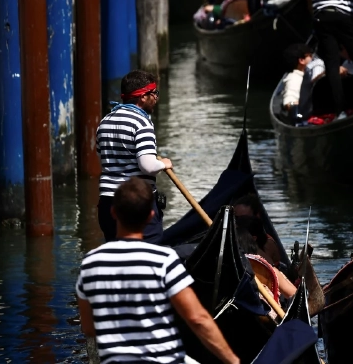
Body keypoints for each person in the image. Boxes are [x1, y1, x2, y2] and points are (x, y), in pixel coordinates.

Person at [77, 178, 241, 364]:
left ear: (113, 212)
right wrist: (233, 361)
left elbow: (89, 328)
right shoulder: (164, 260)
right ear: (151, 215)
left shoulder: (90, 264)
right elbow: (198, 319)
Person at [96, 70, 170, 244]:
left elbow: (103, 159)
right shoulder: (142, 122)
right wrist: (164, 164)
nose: (156, 98)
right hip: (135, 203)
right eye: (154, 93)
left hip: (107, 203)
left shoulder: (105, 121)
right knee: (149, 255)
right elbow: (148, 166)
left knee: (116, 257)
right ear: (143, 97)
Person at [282, 43, 313, 110]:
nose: (312, 58)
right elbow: (289, 103)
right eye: (310, 56)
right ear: (301, 60)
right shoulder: (293, 79)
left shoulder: (311, 73)